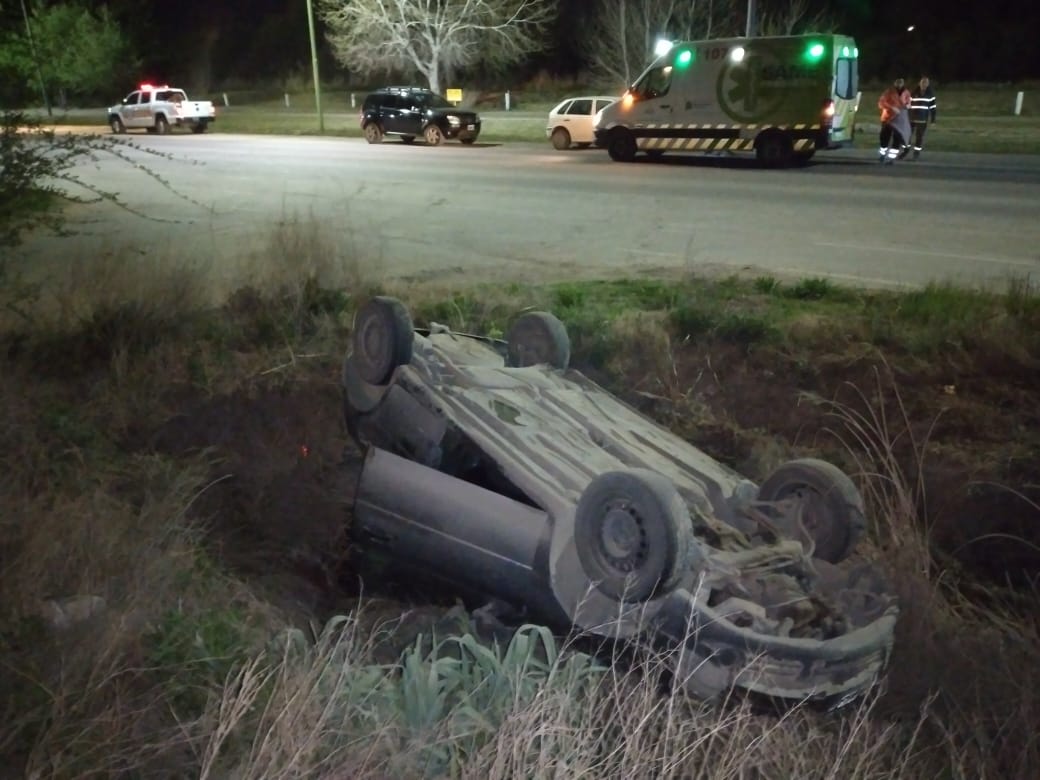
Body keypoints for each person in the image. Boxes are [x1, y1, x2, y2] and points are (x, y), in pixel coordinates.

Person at [878, 79, 911, 164]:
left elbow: (908, 102)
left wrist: (907, 105)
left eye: (901, 83)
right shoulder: (889, 92)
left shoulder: (906, 92)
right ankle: (882, 154)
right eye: (898, 83)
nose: (899, 85)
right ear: (895, 83)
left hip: (900, 120)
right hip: (888, 119)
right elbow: (881, 103)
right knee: (884, 138)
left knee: (897, 139)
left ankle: (891, 158)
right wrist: (892, 107)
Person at [909, 76, 937, 160]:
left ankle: (916, 154)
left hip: (922, 120)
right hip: (911, 119)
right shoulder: (913, 93)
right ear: (919, 83)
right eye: (922, 82)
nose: (924, 84)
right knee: (907, 136)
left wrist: (933, 120)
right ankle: (905, 151)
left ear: (928, 84)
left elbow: (933, 108)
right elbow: (907, 105)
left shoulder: (930, 95)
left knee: (919, 137)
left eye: (926, 83)